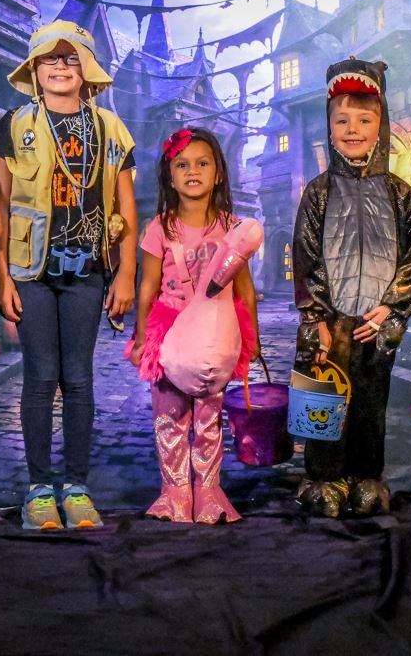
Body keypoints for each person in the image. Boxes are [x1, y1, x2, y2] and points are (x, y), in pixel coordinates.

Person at [0, 20, 137, 530]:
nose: (58, 67)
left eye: (70, 58)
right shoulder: (14, 125)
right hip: (31, 270)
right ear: (33, 69)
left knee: (78, 378)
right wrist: (2, 276)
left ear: (86, 70)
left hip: (88, 270)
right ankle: (37, 489)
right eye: (48, 59)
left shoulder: (111, 130)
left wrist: (125, 276)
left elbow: (127, 211)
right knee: (39, 377)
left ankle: (75, 486)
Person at [292, 57, 411, 518]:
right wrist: (316, 321)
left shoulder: (398, 194)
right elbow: (307, 256)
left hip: (374, 322)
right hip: (333, 322)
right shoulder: (317, 194)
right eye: (342, 120)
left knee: (370, 401)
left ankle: (368, 476)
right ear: (329, 127)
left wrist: (392, 309)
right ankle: (324, 479)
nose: (353, 129)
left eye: (364, 120)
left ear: (380, 125)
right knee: (325, 400)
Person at [128, 127, 261, 523]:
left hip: (214, 340)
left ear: (218, 173)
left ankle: (208, 493)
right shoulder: (159, 229)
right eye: (182, 165)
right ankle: (174, 494)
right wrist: (140, 338)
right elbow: (147, 288)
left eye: (202, 164)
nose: (192, 172)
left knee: (208, 418)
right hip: (169, 338)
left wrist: (249, 339)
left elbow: (246, 291)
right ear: (170, 176)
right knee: (169, 418)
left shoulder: (230, 228)